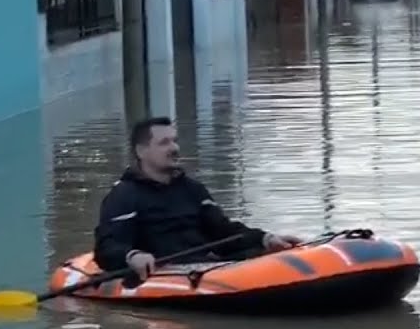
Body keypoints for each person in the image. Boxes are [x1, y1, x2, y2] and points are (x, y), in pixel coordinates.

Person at [94, 116, 304, 281]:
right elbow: (107, 247)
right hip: (166, 273)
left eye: (174, 141)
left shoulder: (192, 189)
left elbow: (223, 233)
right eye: (164, 143)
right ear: (141, 151)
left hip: (207, 267)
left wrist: (265, 239)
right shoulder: (124, 196)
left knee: (262, 253)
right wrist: (132, 256)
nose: (174, 148)